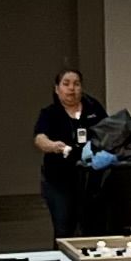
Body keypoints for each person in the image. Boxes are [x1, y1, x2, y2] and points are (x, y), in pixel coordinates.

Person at [34, 69, 105, 241]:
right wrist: (52, 146)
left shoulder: (93, 107)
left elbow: (108, 130)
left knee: (92, 226)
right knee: (64, 227)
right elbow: (39, 138)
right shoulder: (50, 113)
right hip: (59, 179)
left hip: (91, 179)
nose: (71, 88)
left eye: (76, 84)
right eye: (66, 84)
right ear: (57, 89)